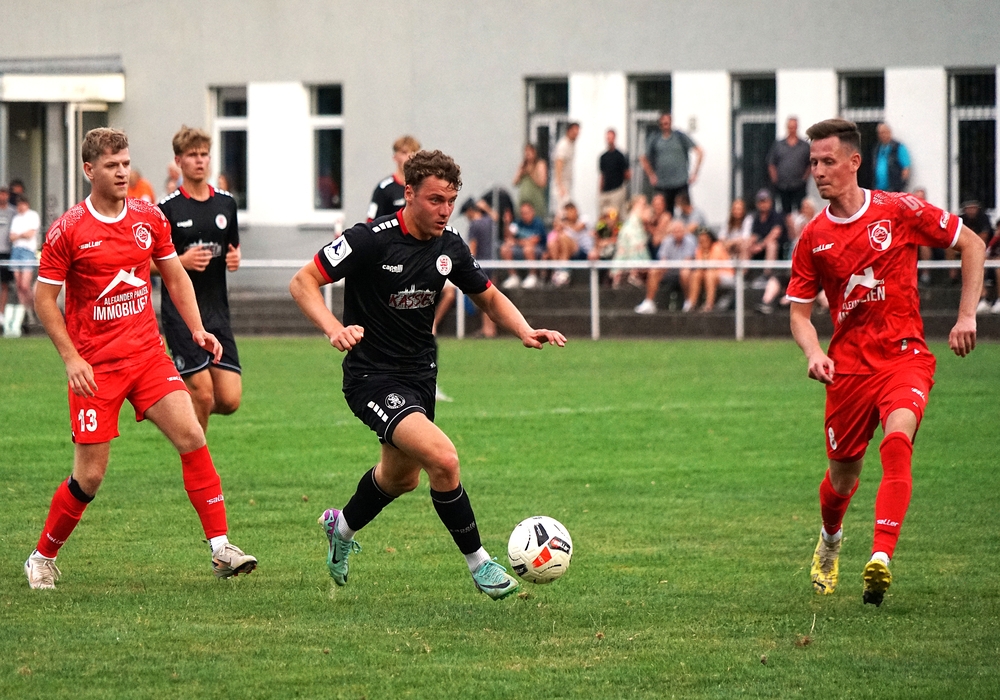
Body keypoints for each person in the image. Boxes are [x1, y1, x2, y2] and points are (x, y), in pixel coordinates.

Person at [288, 149, 566, 600]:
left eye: (451, 201)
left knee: (400, 478)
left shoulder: (449, 245)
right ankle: (480, 564)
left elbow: (488, 296)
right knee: (444, 459)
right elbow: (302, 282)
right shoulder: (369, 240)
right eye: (436, 200)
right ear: (409, 193)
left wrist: (523, 329)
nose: (445, 210)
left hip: (419, 376)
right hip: (371, 377)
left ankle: (340, 529)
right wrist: (333, 328)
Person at [24, 128, 256, 590]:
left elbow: (175, 277)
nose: (122, 172)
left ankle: (221, 548)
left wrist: (196, 329)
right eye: (112, 165)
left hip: (147, 356)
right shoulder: (69, 229)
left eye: (126, 163)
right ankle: (42, 556)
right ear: (89, 170)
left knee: (192, 434)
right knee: (90, 476)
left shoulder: (149, 217)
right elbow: (44, 299)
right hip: (95, 369)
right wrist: (71, 358)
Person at [787, 118, 984, 607]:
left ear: (854, 162)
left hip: (904, 357)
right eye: (813, 162)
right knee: (842, 479)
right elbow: (799, 314)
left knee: (898, 440)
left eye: (828, 161)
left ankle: (880, 557)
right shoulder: (813, 237)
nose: (818, 171)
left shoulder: (898, 210)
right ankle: (830, 540)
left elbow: (973, 244)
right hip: (848, 370)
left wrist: (966, 316)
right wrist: (814, 352)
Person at [157, 126, 242, 432]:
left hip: (217, 312)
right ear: (179, 161)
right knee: (203, 393)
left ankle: (179, 417)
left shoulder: (226, 204)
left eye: (204, 154)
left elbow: (232, 248)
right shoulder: (166, 209)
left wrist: (235, 258)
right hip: (181, 314)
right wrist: (181, 262)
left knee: (229, 399)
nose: (200, 160)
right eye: (192, 155)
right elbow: (144, 263)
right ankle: (195, 457)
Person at [639, 112, 703, 213]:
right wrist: (651, 175)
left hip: (680, 182)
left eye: (667, 123)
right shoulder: (654, 138)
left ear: (671, 122)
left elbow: (699, 152)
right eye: (663, 123)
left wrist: (695, 173)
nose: (665, 125)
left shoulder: (680, 137)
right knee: (664, 213)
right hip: (662, 184)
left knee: (686, 211)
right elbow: (643, 157)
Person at [635, 219, 696, 314]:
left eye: (679, 230)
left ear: (684, 231)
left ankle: (688, 301)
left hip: (684, 271)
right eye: (675, 231)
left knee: (685, 272)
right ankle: (649, 302)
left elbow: (687, 261)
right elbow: (663, 260)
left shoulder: (690, 241)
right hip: (669, 272)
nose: (677, 233)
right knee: (654, 271)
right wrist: (663, 267)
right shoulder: (667, 241)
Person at [460, 199, 497, 337]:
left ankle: (487, 330)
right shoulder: (489, 221)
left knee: (484, 300)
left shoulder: (474, 225)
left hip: (481, 266)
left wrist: (467, 265)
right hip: (493, 264)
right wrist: (486, 207)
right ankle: (491, 329)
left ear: (470, 211)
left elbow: (473, 247)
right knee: (493, 299)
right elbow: (496, 217)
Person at [7, 195, 41, 337]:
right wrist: (21, 235)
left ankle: (34, 309)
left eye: (22, 204)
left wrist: (18, 235)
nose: (20, 207)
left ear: (26, 204)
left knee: (25, 286)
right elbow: (11, 237)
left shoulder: (33, 216)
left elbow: (30, 234)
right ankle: (25, 313)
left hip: (27, 251)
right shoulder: (16, 218)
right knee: (19, 286)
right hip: (16, 251)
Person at [368, 135, 420, 222]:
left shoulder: (422, 186)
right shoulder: (384, 188)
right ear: (395, 157)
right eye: (404, 153)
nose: (409, 157)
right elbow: (371, 221)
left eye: (413, 152)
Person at [767, 117, 811, 214]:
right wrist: (775, 179)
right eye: (790, 127)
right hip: (782, 186)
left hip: (799, 185)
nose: (792, 129)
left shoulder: (804, 146)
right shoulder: (778, 145)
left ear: (797, 127)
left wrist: (804, 178)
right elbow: (771, 163)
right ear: (787, 127)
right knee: (785, 213)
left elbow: (810, 163)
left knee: (801, 211)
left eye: (794, 127)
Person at [686, 227, 734, 312]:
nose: (703, 242)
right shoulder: (699, 250)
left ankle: (709, 304)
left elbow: (712, 265)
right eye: (701, 240)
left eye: (705, 240)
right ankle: (691, 304)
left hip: (725, 274)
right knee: (696, 274)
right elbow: (700, 266)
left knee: (710, 274)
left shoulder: (717, 247)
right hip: (708, 273)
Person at [500, 201, 546, 289]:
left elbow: (534, 240)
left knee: (528, 249)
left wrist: (516, 242)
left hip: (538, 249)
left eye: (526, 213)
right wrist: (507, 223)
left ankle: (533, 276)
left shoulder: (538, 223)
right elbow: (508, 237)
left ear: (532, 212)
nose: (524, 215)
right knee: (505, 248)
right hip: (520, 248)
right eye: (522, 213)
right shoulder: (517, 223)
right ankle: (513, 276)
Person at [611, 195, 651, 289]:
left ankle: (629, 275)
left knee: (632, 249)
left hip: (634, 229)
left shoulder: (640, 211)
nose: (644, 204)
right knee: (633, 248)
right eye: (642, 202)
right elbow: (646, 217)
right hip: (631, 231)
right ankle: (630, 275)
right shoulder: (637, 211)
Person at [513, 143, 548, 223]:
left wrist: (531, 173)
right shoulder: (523, 165)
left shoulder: (540, 164)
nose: (527, 154)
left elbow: (542, 183)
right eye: (526, 151)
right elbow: (515, 182)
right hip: (523, 201)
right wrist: (521, 172)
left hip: (535, 201)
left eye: (530, 151)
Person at [598, 129, 630, 217]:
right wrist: (600, 191)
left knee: (614, 215)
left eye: (611, 138)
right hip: (605, 191)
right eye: (608, 138)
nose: (609, 140)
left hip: (617, 190)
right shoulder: (603, 157)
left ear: (615, 138)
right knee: (603, 215)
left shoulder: (620, 156)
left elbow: (627, 174)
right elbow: (602, 175)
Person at [872, 123, 910, 193]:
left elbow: (906, 169)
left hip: (893, 190)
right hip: (879, 190)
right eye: (880, 133)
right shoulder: (877, 148)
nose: (882, 135)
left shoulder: (898, 147)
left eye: (884, 132)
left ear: (889, 132)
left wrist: (899, 188)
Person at [553, 122, 580, 209]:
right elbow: (558, 164)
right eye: (574, 133)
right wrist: (560, 185)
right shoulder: (563, 145)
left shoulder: (571, 144)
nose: (576, 135)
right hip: (562, 183)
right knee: (563, 209)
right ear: (569, 131)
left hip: (567, 183)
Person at [0, 186, 16, 332]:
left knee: (5, 284)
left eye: (5, 194)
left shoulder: (13, 212)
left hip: (7, 252)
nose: (2, 197)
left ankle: (2, 313)